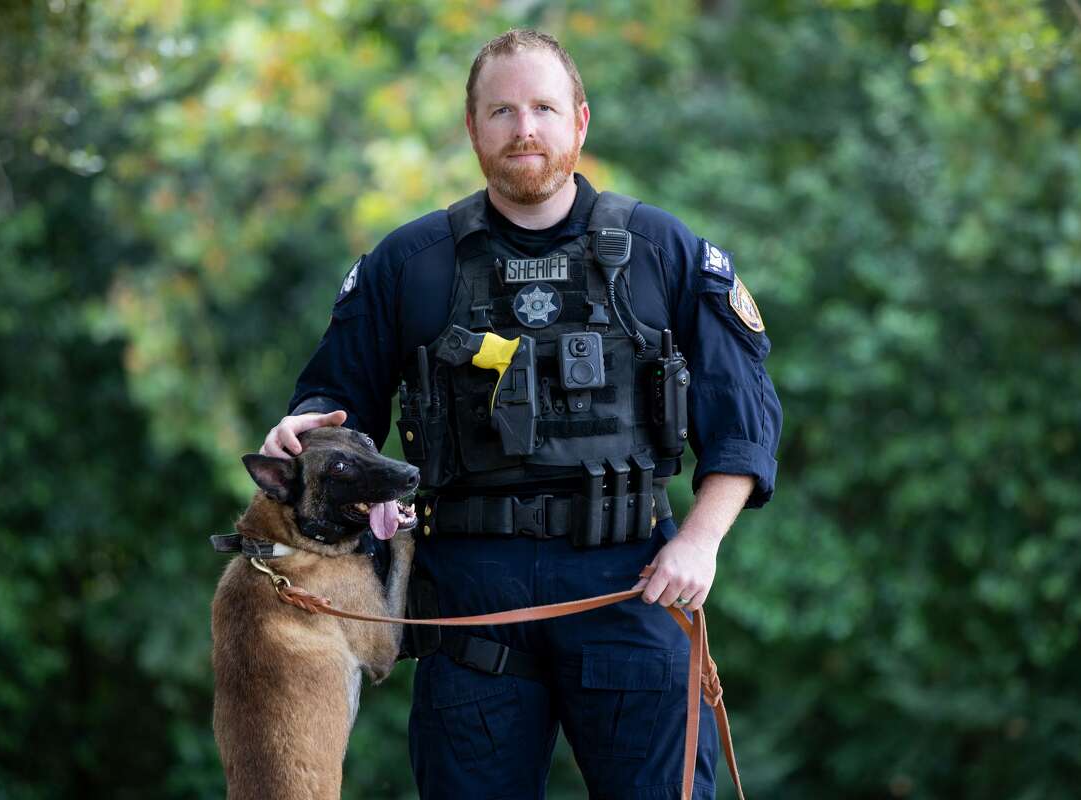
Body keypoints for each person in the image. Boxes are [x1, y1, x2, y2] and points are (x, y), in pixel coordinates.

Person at [261, 28, 781, 800]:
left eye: (543, 107)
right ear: (473, 128)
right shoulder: (411, 264)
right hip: (470, 598)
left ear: (581, 119)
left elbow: (743, 422)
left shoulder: (661, 251)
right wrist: (301, 430)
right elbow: (334, 408)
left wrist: (699, 545)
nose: (524, 129)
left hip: (632, 585)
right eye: (501, 111)